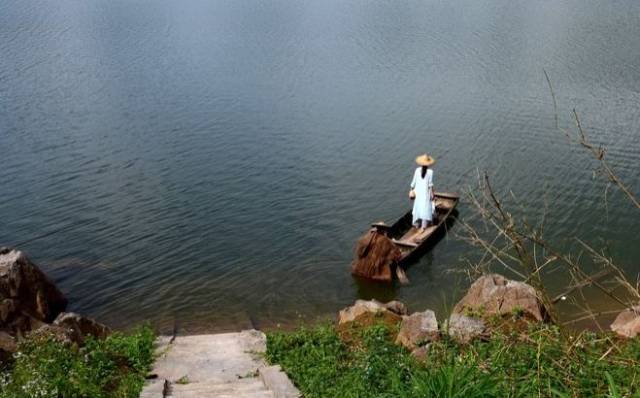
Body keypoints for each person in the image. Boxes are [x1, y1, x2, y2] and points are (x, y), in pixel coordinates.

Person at [409, 154, 435, 231]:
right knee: (426, 208)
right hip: (425, 193)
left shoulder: (417, 170)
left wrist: (411, 190)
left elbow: (413, 182)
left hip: (418, 192)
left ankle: (416, 224)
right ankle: (423, 226)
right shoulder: (430, 172)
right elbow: (430, 185)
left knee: (418, 206)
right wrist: (432, 194)